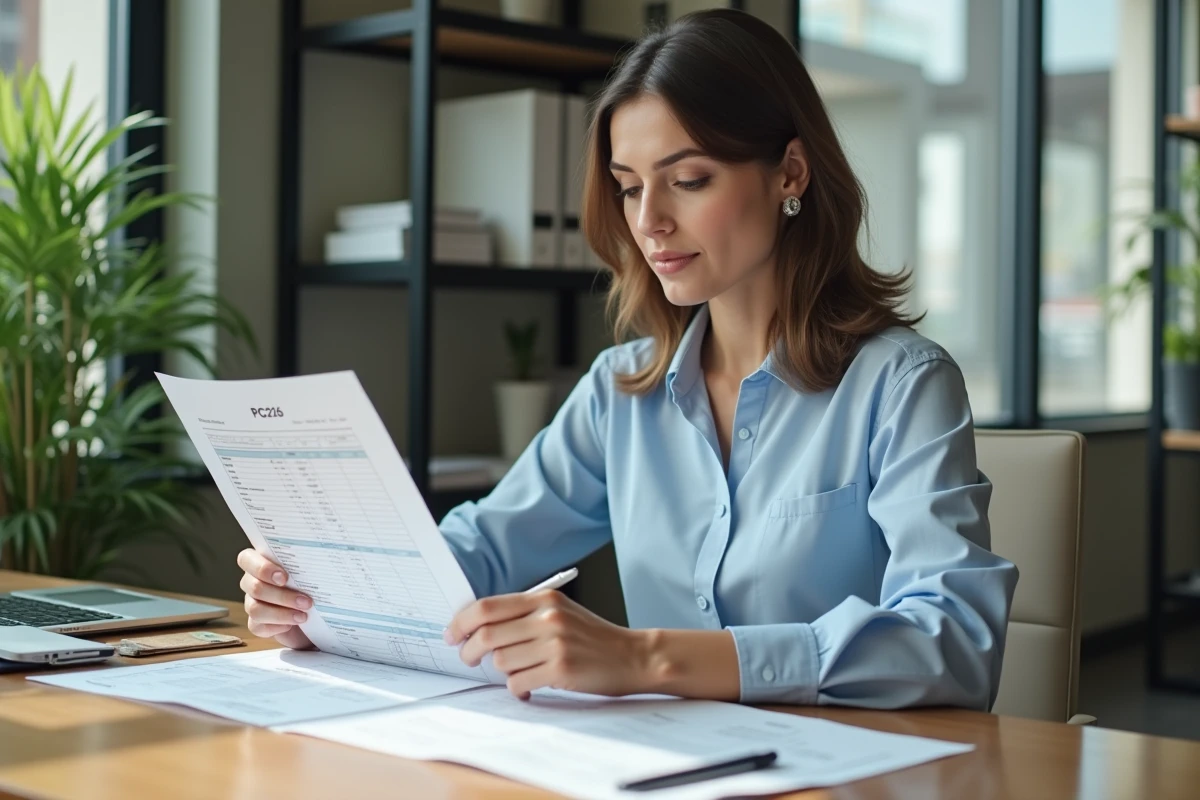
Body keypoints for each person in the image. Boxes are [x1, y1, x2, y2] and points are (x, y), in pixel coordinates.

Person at [238, 8, 1018, 711]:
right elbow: (484, 550)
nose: (651, 221)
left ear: (790, 172)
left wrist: (642, 656)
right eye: (627, 186)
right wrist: (323, 596)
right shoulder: (623, 391)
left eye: (689, 180)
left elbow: (951, 642)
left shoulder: (902, 384)